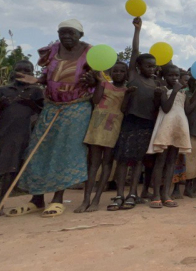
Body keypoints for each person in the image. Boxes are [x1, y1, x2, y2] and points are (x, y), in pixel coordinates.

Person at [12, 19, 97, 218]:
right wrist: (38, 80)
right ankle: (37, 198)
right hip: (51, 105)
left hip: (76, 107)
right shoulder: (52, 50)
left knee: (65, 151)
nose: (66, 36)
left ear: (80, 35)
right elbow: (48, 74)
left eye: (71, 33)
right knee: (39, 148)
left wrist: (94, 80)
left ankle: (58, 199)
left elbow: (99, 79)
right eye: (62, 33)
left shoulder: (91, 53)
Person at [0, 60, 43, 220]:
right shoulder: (2, 90)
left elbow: (42, 111)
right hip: (1, 133)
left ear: (32, 73)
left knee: (10, 171)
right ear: (13, 71)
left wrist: (31, 104)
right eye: (20, 69)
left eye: (27, 70)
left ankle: (0, 205)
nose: (23, 73)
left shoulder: (36, 91)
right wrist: (1, 104)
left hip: (23, 135)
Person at [109, 17, 160, 211]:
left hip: (147, 124)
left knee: (138, 160)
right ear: (139, 67)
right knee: (123, 160)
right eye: (148, 66)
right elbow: (135, 52)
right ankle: (119, 194)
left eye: (154, 66)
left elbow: (156, 107)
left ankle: (132, 193)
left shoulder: (156, 84)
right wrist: (137, 30)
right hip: (130, 122)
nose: (152, 69)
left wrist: (158, 96)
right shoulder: (133, 76)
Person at [77, 61, 135, 213]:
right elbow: (95, 101)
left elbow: (123, 109)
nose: (118, 74)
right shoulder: (103, 84)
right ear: (110, 73)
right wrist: (98, 83)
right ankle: (86, 199)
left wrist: (128, 95)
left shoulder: (127, 89)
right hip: (97, 126)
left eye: (121, 71)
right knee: (93, 164)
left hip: (113, 127)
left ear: (126, 74)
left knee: (107, 164)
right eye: (115, 71)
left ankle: (96, 200)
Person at [147, 64, 196, 208]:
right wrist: (174, 91)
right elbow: (165, 108)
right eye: (171, 75)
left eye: (176, 75)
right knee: (160, 161)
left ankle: (166, 194)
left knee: (172, 161)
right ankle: (156, 195)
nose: (174, 78)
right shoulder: (162, 90)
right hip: (166, 125)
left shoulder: (183, 93)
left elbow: (188, 110)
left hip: (179, 126)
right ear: (165, 76)